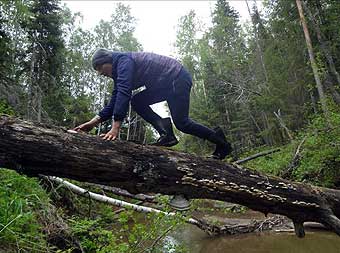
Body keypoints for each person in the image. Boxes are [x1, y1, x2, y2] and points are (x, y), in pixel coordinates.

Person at [74, 49, 232, 210]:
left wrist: (116, 128)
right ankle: (168, 134)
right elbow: (116, 97)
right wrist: (93, 122)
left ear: (108, 61)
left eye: (100, 68)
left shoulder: (123, 61)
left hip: (177, 77)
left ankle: (222, 144)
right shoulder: (118, 68)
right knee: (139, 101)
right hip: (166, 82)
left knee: (182, 123)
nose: (101, 73)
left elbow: (124, 93)